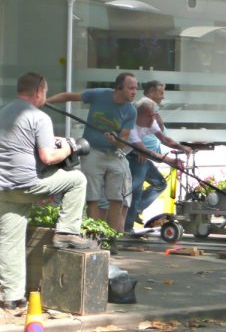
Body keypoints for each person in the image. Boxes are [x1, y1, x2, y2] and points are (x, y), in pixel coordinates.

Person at [0, 73, 95, 312]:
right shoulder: (38, 116)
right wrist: (69, 147)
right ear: (40, 91)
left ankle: (12, 299)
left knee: (10, 241)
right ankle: (66, 231)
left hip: (4, 188)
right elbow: (48, 157)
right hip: (28, 184)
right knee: (77, 180)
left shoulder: (4, 112)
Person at [47, 72, 138, 231]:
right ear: (119, 87)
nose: (134, 92)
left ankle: (112, 237)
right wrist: (46, 101)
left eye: (135, 88)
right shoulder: (99, 94)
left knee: (116, 198)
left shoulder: (131, 110)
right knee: (93, 197)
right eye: (131, 88)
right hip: (92, 152)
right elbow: (69, 96)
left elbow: (123, 141)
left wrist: (115, 141)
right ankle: (95, 234)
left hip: (114, 155)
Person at [124, 97, 191, 234]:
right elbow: (145, 150)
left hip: (141, 155)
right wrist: (168, 160)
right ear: (139, 115)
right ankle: (127, 229)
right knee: (134, 191)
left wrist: (181, 146)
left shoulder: (150, 121)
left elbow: (165, 139)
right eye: (149, 115)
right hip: (128, 156)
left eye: (153, 115)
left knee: (160, 183)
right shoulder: (130, 126)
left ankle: (136, 209)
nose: (152, 119)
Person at [130, 80, 170, 225]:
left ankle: (132, 213)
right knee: (154, 184)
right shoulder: (142, 107)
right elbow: (136, 131)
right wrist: (140, 150)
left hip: (145, 154)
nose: (163, 96)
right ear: (151, 93)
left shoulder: (151, 108)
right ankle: (131, 214)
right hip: (140, 155)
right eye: (161, 93)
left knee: (138, 189)